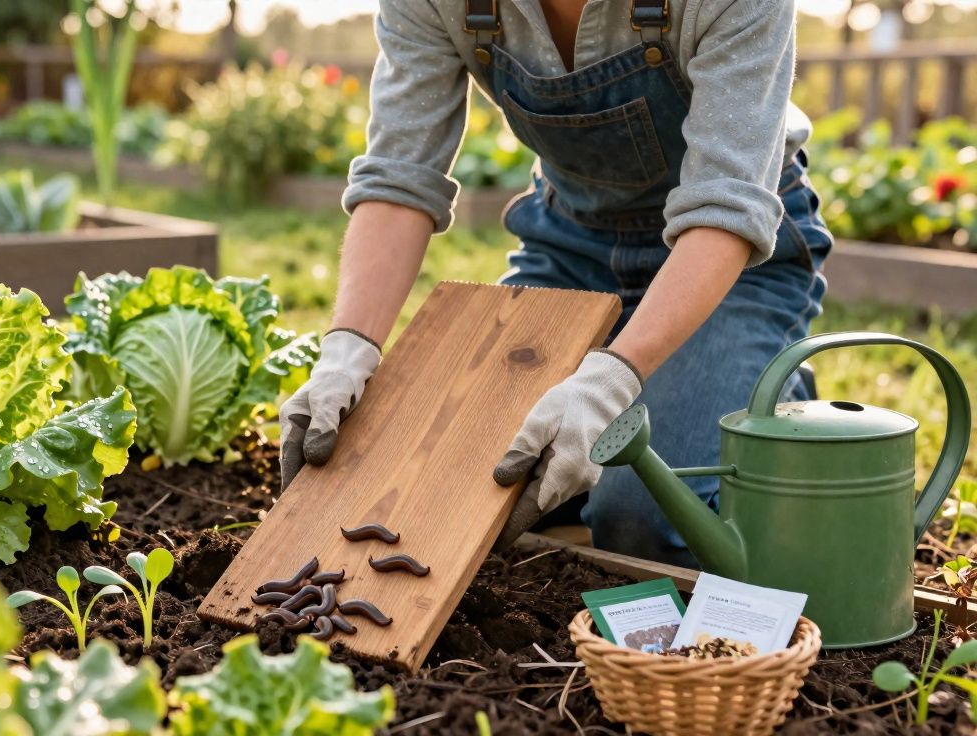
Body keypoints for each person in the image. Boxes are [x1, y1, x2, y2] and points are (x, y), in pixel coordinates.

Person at [277, 0, 834, 567]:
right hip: (570, 244)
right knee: (460, 477)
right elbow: (399, 175)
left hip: (733, 259)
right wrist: (348, 348)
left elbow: (726, 210)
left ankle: (769, 398)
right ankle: (700, 396)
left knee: (640, 517)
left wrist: (610, 380)